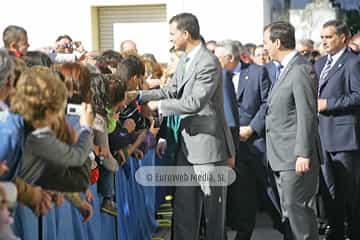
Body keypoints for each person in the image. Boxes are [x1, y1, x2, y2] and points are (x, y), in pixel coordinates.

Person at [138, 13, 235, 240]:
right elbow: (172, 90)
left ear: (185, 34)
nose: (170, 39)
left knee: (213, 215)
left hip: (208, 149)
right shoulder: (186, 60)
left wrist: (158, 105)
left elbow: (194, 103)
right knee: (183, 210)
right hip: (187, 148)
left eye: (172, 34)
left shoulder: (208, 63)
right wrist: (139, 95)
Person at [263, 21, 319, 240]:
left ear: (277, 42)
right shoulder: (286, 68)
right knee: (290, 215)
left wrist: (303, 153)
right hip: (281, 156)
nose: (265, 48)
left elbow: (307, 114)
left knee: (299, 216)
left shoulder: (300, 69)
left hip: (294, 158)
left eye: (266, 43)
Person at [315, 20, 360, 240]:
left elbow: (358, 96)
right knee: (328, 192)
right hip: (322, 136)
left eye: (329, 37)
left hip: (344, 138)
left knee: (349, 191)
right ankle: (336, 232)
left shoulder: (353, 63)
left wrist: (328, 103)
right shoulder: (320, 63)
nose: (324, 41)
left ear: (343, 38)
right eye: (322, 37)